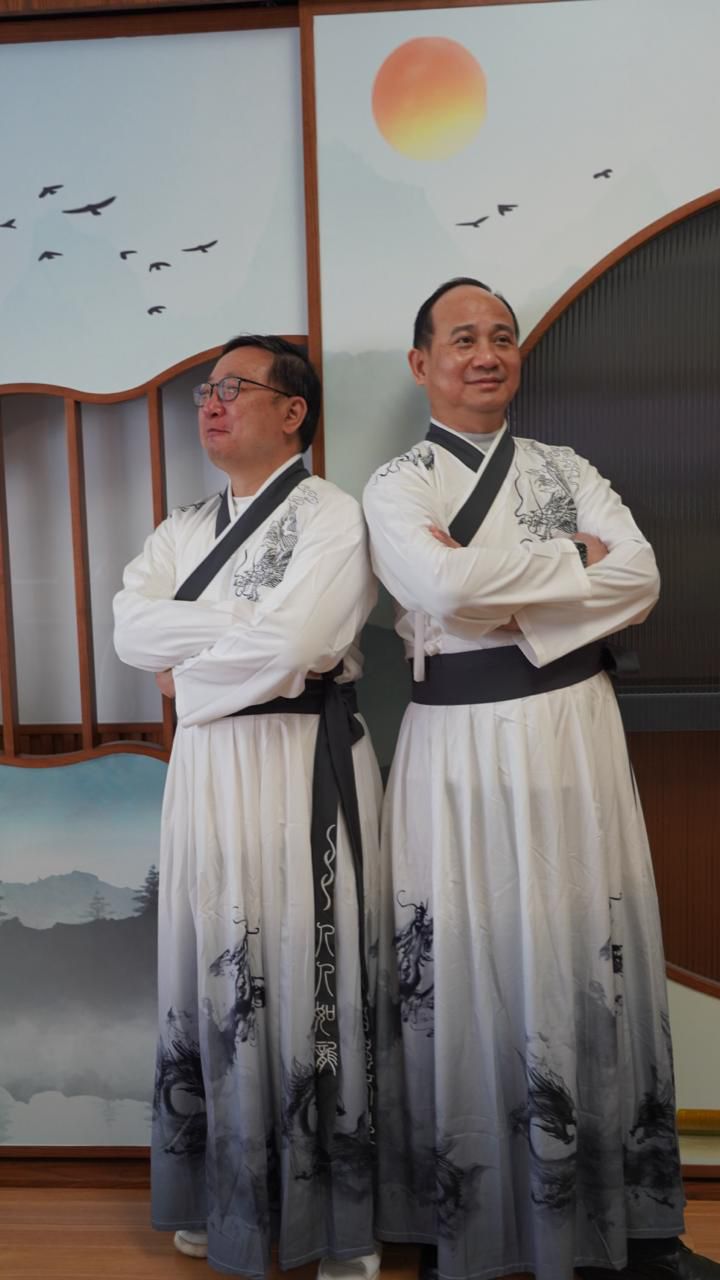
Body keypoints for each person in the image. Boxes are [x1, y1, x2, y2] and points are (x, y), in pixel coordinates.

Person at [362, 279, 719, 1280]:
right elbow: (439, 587)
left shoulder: (568, 466)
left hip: (576, 729)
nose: (486, 354)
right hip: (458, 745)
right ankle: (464, 1230)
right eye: (462, 338)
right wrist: (571, 560)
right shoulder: (397, 486)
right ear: (422, 362)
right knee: (464, 957)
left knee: (587, 950)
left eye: (502, 337)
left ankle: (632, 1229)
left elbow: (640, 576)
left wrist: (504, 595)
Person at [114, 335, 382, 1280]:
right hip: (207, 765)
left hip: (301, 758)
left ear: (293, 411)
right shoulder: (181, 528)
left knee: (313, 966)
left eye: (233, 388)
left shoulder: (334, 516)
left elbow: (308, 640)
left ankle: (336, 1222)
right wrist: (246, 634)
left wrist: (190, 673)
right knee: (213, 965)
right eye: (206, 391)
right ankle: (226, 1199)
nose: (211, 405)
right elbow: (130, 630)